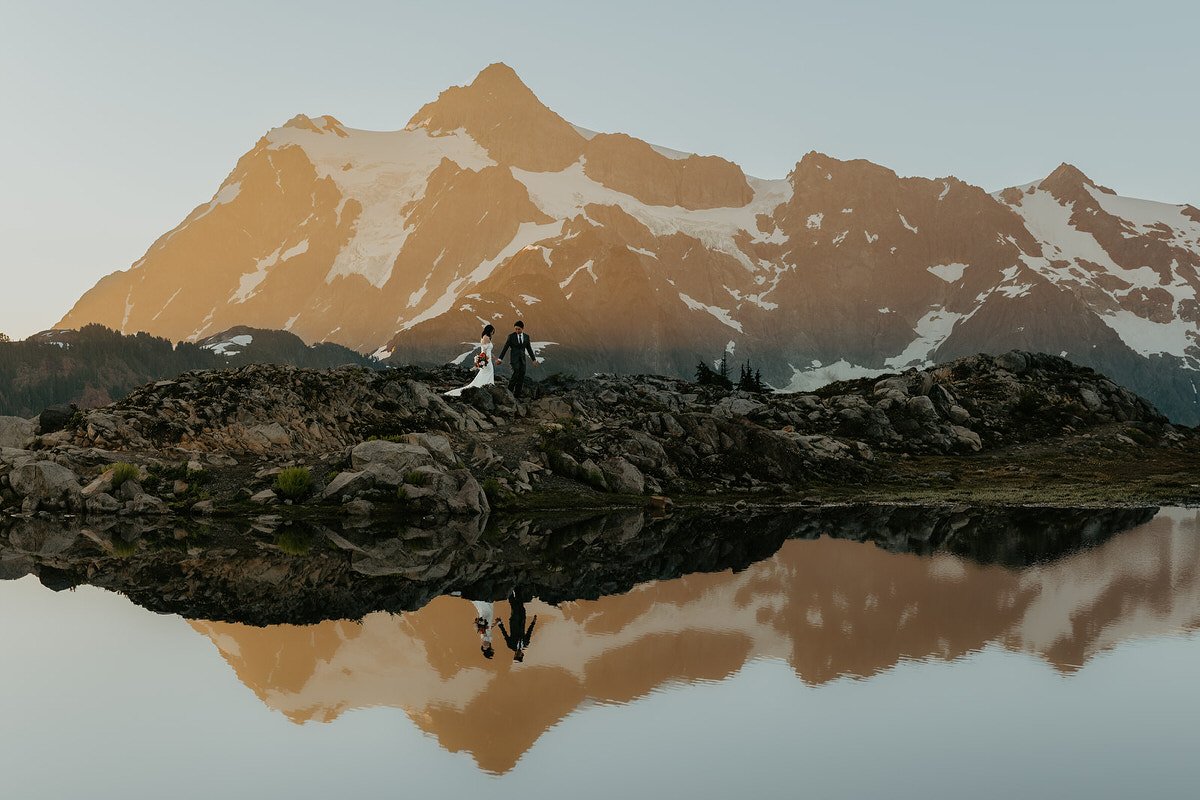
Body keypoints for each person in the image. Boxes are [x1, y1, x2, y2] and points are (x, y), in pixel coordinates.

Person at [445, 324, 496, 397]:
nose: (492, 333)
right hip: (486, 359)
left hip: (488, 358)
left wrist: (492, 356)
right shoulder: (486, 337)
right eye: (492, 331)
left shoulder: (487, 337)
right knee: (488, 372)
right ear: (489, 330)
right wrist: (483, 360)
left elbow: (488, 349)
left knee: (486, 373)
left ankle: (486, 386)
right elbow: (484, 350)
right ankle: (485, 386)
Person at [495, 320, 538, 398]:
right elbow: (505, 348)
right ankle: (509, 392)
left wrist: (533, 360)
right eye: (516, 329)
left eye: (518, 329)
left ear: (522, 328)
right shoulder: (511, 336)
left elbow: (529, 349)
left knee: (521, 376)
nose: (517, 331)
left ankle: (517, 395)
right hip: (514, 359)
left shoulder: (526, 337)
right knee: (516, 373)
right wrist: (500, 359)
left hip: (523, 360)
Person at [497, 588, 537, 663]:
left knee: (514, 605)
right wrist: (533, 622)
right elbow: (529, 632)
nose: (517, 654)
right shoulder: (526, 643)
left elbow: (505, 634)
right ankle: (516, 588)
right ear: (522, 654)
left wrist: (500, 624)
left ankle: (510, 589)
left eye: (516, 656)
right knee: (520, 604)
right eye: (519, 656)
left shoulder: (511, 645)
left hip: (514, 621)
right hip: (522, 620)